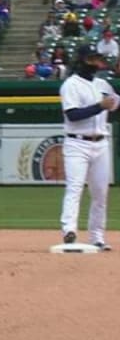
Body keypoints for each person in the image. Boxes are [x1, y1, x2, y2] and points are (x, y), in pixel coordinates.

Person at [59, 45, 116, 251]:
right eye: (92, 58)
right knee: (75, 187)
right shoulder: (71, 84)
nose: (96, 62)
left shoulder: (103, 84)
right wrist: (100, 106)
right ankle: (69, 230)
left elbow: (115, 103)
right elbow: (72, 114)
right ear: (82, 60)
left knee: (100, 193)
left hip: (101, 143)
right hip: (77, 143)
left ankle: (97, 237)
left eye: (98, 59)